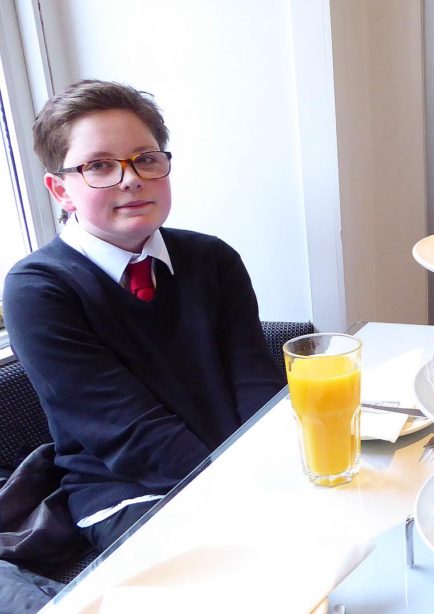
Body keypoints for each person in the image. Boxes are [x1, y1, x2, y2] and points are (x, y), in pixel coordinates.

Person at [3, 80, 285, 554]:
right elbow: (128, 432)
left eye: (145, 158)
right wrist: (244, 497)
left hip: (245, 466)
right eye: (98, 166)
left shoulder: (212, 258)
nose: (130, 178)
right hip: (130, 493)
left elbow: (255, 385)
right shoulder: (38, 289)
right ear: (60, 191)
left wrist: (278, 472)